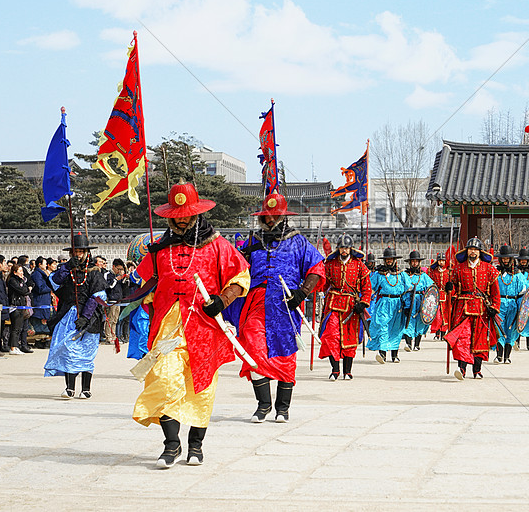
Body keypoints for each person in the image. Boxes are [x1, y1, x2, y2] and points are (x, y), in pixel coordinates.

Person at [132, 182, 250, 467]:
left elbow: (240, 277)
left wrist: (223, 299)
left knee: (201, 388)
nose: (182, 219)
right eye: (176, 215)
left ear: (197, 214)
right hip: (168, 326)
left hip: (204, 327)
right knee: (164, 379)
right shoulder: (159, 249)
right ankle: (171, 445)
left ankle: (195, 446)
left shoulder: (219, 245)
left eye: (186, 214)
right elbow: (144, 284)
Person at [231, 192, 325, 424]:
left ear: (283, 217)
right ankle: (263, 405)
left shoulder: (299, 241)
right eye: (266, 216)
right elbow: (238, 269)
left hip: (285, 305)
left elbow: (316, 267)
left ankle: (283, 408)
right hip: (256, 304)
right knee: (252, 349)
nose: (270, 220)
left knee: (285, 355)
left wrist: (302, 292)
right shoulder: (253, 241)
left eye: (274, 216)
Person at [43, 234, 107, 399]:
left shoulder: (95, 273)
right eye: (75, 251)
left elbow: (97, 296)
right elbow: (53, 282)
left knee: (87, 352)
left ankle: (86, 388)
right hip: (68, 315)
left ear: (87, 252)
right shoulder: (67, 270)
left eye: (81, 251)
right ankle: (69, 388)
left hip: (90, 317)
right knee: (68, 350)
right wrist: (65, 268)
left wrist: (85, 317)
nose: (78, 254)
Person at [445, 237, 501, 380]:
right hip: (462, 308)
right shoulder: (458, 267)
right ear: (467, 251)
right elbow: (454, 289)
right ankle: (462, 369)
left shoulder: (489, 268)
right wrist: (449, 288)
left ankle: (477, 370)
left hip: (482, 308)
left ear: (480, 252)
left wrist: (494, 306)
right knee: (462, 338)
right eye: (471, 249)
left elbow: (495, 291)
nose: (473, 252)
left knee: (480, 340)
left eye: (476, 249)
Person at [318, 234, 372, 380]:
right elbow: (323, 284)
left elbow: (367, 287)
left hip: (351, 306)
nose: (344, 250)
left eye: (346, 248)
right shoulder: (329, 264)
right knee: (330, 336)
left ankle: (347, 371)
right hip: (333, 304)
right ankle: (335, 370)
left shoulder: (359, 265)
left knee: (350, 339)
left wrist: (363, 302)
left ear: (350, 249)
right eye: (342, 247)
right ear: (338, 248)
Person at [367, 247, 408, 364]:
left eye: (391, 258)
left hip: (398, 304)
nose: (389, 261)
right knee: (383, 327)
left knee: (396, 328)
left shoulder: (401, 274)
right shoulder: (379, 274)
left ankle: (394, 355)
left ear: (394, 259)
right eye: (387, 259)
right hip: (384, 302)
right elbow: (370, 287)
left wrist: (407, 305)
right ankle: (382, 353)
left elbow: (408, 288)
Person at [494, 244, 523, 364]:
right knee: (498, 328)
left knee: (510, 329)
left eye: (507, 259)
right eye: (503, 259)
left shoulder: (517, 274)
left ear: (511, 260)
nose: (505, 261)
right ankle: (499, 355)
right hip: (499, 303)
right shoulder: (495, 272)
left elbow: (523, 291)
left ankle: (507, 356)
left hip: (513, 304)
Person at [401, 251, 435, 353]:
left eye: (416, 261)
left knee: (420, 322)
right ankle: (408, 343)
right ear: (410, 262)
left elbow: (431, 287)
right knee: (408, 321)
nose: (415, 263)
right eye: (413, 261)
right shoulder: (405, 274)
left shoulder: (423, 275)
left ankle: (417, 344)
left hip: (421, 300)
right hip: (409, 299)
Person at [103, 258, 128, 344]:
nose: (119, 271)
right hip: (111, 300)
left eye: (121, 269)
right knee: (110, 319)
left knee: (115, 320)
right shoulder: (108, 274)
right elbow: (108, 286)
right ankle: (108, 337)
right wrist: (116, 279)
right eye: (118, 269)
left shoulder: (118, 276)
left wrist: (124, 278)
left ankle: (113, 336)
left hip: (118, 300)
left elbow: (124, 288)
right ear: (113, 267)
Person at [428, 252, 452, 340]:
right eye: (440, 261)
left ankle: (443, 333)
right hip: (436, 296)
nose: (441, 262)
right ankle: (437, 333)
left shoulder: (448, 272)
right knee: (437, 315)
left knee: (445, 316)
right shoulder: (434, 272)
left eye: (443, 261)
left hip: (446, 296)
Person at [30, 257, 53, 343]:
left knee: (43, 322)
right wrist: (50, 287)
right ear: (39, 264)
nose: (46, 265)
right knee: (38, 323)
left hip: (44, 301)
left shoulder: (42, 274)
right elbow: (40, 288)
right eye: (44, 263)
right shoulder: (37, 274)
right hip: (39, 302)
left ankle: (42, 340)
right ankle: (38, 340)